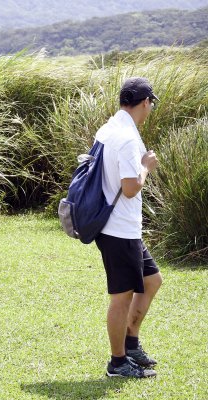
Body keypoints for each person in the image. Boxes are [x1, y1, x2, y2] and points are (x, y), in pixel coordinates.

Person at [95, 77, 162, 378]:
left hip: (119, 227)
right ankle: (118, 362)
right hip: (119, 229)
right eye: (150, 104)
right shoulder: (126, 137)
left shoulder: (111, 127)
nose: (149, 109)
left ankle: (130, 343)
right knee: (121, 297)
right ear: (145, 102)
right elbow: (131, 187)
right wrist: (146, 165)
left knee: (152, 281)